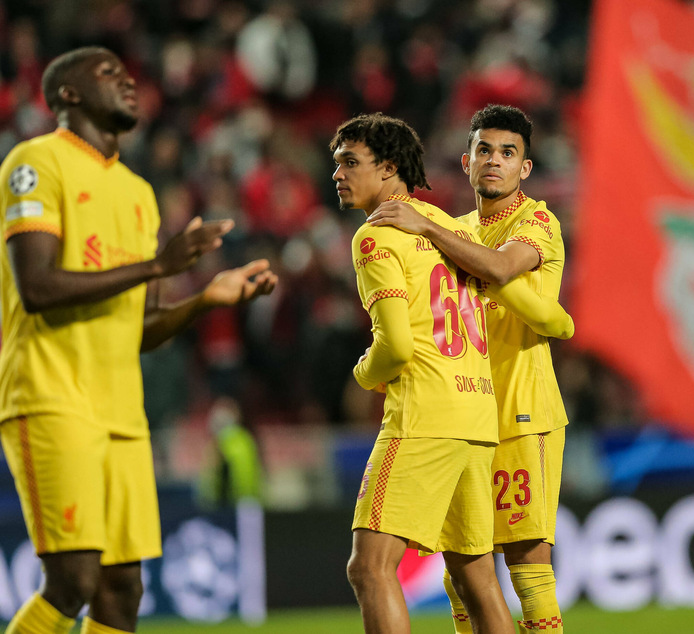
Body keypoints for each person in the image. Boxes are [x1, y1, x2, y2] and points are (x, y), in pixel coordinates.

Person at [0, 46, 277, 634]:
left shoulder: (138, 192)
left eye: (129, 73)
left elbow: (141, 330)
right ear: (67, 95)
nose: (127, 80)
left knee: (123, 590)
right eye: (107, 73)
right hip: (51, 397)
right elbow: (39, 287)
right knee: (72, 580)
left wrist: (204, 299)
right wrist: (157, 266)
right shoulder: (35, 163)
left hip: (122, 412)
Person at [332, 112, 572, 634]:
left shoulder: (536, 221)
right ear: (465, 162)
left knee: (525, 560)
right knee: (467, 572)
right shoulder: (451, 230)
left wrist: (364, 375)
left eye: (507, 153)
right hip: (479, 407)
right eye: (484, 150)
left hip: (517, 407)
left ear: (526, 167)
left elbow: (503, 269)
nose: (494, 161)